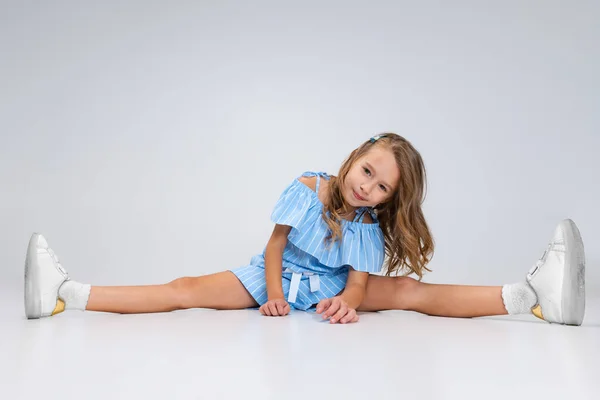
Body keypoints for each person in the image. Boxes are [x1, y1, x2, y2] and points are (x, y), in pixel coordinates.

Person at [23, 133, 586, 325]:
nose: (367, 188)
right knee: (184, 289)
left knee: (413, 293)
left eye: (382, 187)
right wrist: (271, 296)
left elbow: (362, 283)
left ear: (388, 199)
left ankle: (530, 298)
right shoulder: (309, 187)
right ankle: (69, 294)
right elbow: (274, 249)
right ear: (354, 156)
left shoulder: (364, 224)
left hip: (331, 286)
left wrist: (347, 302)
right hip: (274, 277)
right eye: (367, 171)